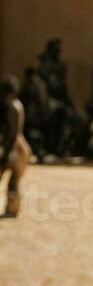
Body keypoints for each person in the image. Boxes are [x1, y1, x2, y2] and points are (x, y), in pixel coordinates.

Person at [2, 76, 31, 218]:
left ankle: (12, 209)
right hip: (20, 145)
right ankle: (13, 209)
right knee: (14, 180)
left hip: (15, 147)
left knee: (12, 181)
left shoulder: (11, 106)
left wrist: (6, 151)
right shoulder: (18, 104)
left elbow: (11, 132)